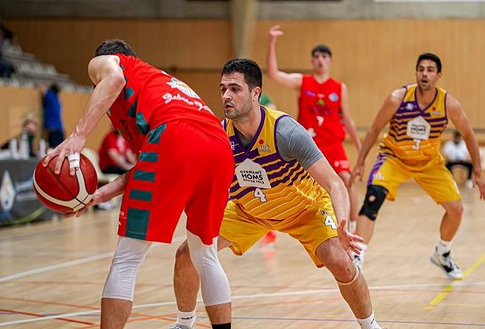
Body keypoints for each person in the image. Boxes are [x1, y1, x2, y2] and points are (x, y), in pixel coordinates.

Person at [172, 58, 383, 329]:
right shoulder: (219, 135)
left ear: (255, 93)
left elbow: (334, 184)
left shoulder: (285, 132)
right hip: (249, 211)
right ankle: (184, 324)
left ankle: (371, 326)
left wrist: (342, 222)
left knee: (340, 262)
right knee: (186, 254)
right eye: (223, 88)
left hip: (304, 209)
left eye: (235, 89)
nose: (226, 95)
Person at [43, 39, 235, 329]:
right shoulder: (159, 86)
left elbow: (115, 78)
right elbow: (153, 164)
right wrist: (100, 194)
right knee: (205, 254)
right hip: (219, 147)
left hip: (175, 135)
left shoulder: (111, 64)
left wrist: (78, 135)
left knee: (127, 258)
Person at [351, 53, 485, 279]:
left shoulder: (448, 104)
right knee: (373, 198)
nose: (425, 74)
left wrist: (479, 172)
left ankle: (442, 253)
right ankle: (357, 257)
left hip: (428, 163)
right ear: (416, 73)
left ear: (438, 75)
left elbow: (468, 134)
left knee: (456, 209)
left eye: (430, 70)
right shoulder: (397, 98)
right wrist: (359, 162)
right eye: (421, 69)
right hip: (393, 157)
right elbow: (374, 129)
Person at [267, 25, 361, 232]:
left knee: (346, 179)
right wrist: (272, 42)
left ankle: (353, 227)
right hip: (309, 144)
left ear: (330, 61)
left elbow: (349, 120)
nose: (320, 60)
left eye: (324, 56)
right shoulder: (303, 82)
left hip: (333, 143)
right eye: (316, 56)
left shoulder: (339, 87)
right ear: (312, 61)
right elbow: (273, 74)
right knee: (296, 186)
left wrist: (360, 151)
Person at [42, 83, 65, 148]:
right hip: (59, 127)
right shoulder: (57, 99)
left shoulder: (50, 95)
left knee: (53, 148)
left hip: (53, 127)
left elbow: (43, 90)